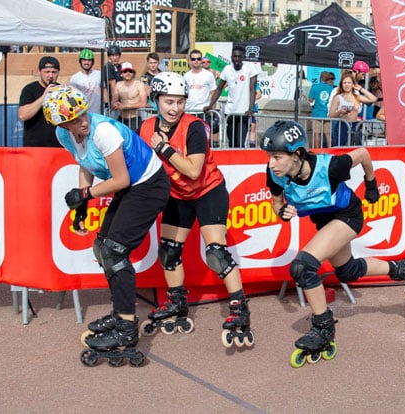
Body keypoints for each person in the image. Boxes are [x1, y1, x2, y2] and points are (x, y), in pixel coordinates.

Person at [260, 120, 405, 365]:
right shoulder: (275, 174)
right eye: (269, 157)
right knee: (348, 271)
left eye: (277, 157)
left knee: (302, 266)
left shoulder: (330, 167)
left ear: (297, 154)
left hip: (348, 216)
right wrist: (281, 211)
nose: (271, 164)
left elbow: (363, 154)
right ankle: (404, 269)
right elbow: (276, 203)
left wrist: (371, 184)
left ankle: (323, 328)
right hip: (325, 221)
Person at [43, 85, 169, 366]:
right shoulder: (64, 134)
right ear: (62, 124)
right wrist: (81, 209)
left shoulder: (103, 132)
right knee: (102, 248)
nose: (82, 121)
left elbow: (121, 180)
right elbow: (85, 164)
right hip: (132, 186)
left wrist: (85, 195)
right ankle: (120, 311)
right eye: (74, 120)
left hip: (148, 185)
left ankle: (126, 328)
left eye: (83, 113)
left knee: (114, 251)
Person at [138, 72, 254, 347]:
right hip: (176, 195)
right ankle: (177, 302)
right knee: (168, 252)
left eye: (179, 101)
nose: (174, 108)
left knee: (216, 253)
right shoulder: (145, 128)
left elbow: (192, 170)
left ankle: (240, 308)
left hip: (207, 191)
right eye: (168, 101)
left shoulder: (194, 126)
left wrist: (164, 148)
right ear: (156, 101)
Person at [205, 45, 258, 148]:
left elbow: (252, 90)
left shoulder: (250, 69)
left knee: (240, 142)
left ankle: (240, 163)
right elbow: (219, 88)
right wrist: (210, 105)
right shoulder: (227, 69)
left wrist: (250, 109)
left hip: (244, 113)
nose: (237, 59)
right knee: (231, 141)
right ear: (231, 57)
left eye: (239, 57)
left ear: (243, 57)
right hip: (230, 112)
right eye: (235, 56)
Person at [18, 56, 61, 147]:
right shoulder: (29, 89)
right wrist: (44, 97)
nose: (50, 76)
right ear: (39, 71)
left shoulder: (62, 90)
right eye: (47, 72)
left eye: (54, 72)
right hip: (35, 147)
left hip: (58, 146)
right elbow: (23, 115)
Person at [328, 72, 376, 147]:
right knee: (340, 149)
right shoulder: (338, 97)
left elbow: (373, 99)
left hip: (355, 126)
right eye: (344, 83)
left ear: (353, 84)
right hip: (342, 126)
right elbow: (330, 115)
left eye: (349, 83)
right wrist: (340, 112)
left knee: (356, 149)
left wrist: (361, 89)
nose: (347, 85)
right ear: (341, 84)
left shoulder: (357, 97)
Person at [184, 49, 219, 146]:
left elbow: (213, 93)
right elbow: (184, 95)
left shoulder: (208, 75)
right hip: (189, 111)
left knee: (204, 139)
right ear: (190, 61)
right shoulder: (186, 76)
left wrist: (212, 110)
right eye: (193, 59)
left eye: (198, 59)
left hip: (203, 111)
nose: (196, 61)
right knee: (189, 138)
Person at [111, 62, 148, 132]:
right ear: (121, 74)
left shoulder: (139, 84)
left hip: (135, 119)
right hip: (122, 118)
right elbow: (114, 101)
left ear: (133, 73)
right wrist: (115, 104)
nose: (128, 73)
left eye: (130, 71)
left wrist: (125, 106)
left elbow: (143, 103)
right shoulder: (118, 85)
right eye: (125, 71)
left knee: (134, 140)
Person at [69, 49, 102, 114]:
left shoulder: (99, 74)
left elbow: (105, 91)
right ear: (80, 61)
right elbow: (72, 97)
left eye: (89, 60)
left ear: (92, 62)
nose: (86, 63)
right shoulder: (75, 78)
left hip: (98, 114)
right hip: (83, 114)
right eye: (84, 60)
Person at [307, 71, 335, 148]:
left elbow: (311, 100)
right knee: (328, 134)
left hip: (317, 113)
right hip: (327, 114)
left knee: (317, 134)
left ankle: (317, 152)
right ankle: (329, 151)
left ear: (320, 77)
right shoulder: (331, 88)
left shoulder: (315, 87)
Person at [103, 45, 123, 117]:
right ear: (109, 56)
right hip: (113, 101)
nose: (114, 58)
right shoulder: (108, 66)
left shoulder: (120, 67)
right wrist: (114, 101)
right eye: (112, 55)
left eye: (116, 55)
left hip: (121, 100)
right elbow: (112, 84)